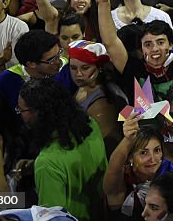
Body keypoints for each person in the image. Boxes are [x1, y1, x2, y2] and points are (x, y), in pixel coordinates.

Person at [18, 77, 109, 220]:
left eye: (21, 110)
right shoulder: (90, 125)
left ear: (38, 113)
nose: (20, 114)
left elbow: (52, 218)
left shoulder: (47, 163)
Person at [105, 117, 173, 218]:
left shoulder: (170, 174)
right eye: (143, 153)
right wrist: (128, 139)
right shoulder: (121, 183)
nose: (152, 159)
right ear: (130, 158)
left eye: (157, 150)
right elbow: (114, 168)